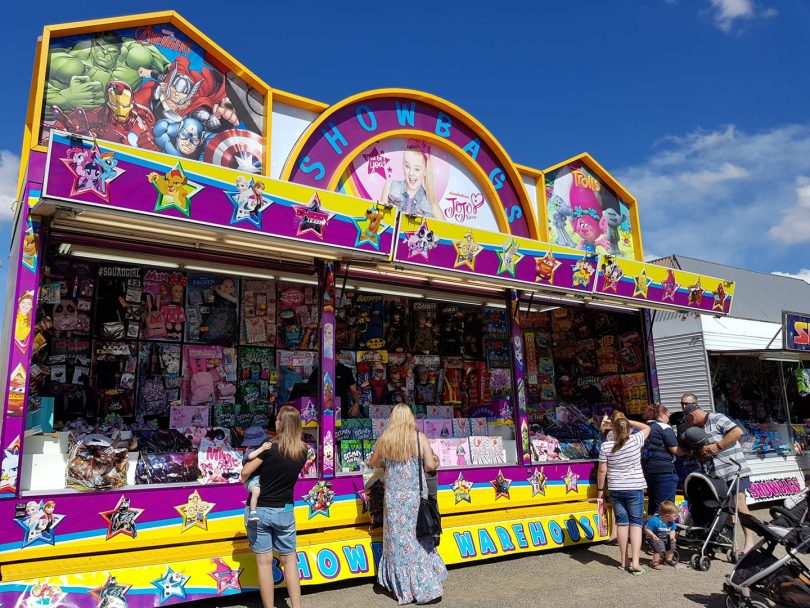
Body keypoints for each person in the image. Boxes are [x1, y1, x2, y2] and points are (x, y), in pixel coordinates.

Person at [369, 404, 446, 604]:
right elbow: (429, 466)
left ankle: (398, 583)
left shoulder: (386, 439)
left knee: (396, 541)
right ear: (411, 418)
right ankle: (425, 582)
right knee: (418, 537)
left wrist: (387, 464)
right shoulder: (420, 439)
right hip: (415, 498)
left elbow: (374, 462)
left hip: (394, 499)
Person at [240, 406, 308, 608]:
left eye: (278, 419)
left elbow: (244, 473)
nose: (275, 422)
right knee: (290, 561)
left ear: (283, 423)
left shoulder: (270, 446)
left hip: (259, 510)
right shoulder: (302, 450)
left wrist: (251, 484)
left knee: (264, 563)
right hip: (285, 510)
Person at [680, 394, 756, 553]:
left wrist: (718, 446)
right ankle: (730, 542)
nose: (687, 423)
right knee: (726, 510)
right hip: (716, 475)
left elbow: (737, 432)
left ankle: (750, 542)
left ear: (693, 415)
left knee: (740, 506)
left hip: (734, 469)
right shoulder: (699, 428)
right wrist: (701, 453)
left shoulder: (716, 417)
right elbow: (706, 453)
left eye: (688, 419)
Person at [597, 412, 651, 575]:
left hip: (615, 488)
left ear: (613, 428)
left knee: (622, 523)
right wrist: (626, 421)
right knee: (635, 523)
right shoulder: (635, 441)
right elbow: (646, 427)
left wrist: (600, 490)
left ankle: (623, 560)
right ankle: (635, 561)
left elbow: (602, 470)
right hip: (634, 487)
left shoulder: (605, 446)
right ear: (627, 428)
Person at [380, 139, 442, 219]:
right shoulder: (390, 186)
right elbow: (380, 220)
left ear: (425, 171)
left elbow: (448, 229)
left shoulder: (429, 201)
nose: (411, 173)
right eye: (407, 166)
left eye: (417, 169)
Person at [641, 403, 682, 514]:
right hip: (665, 470)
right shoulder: (664, 427)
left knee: (653, 503)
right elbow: (675, 450)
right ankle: (662, 530)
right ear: (661, 414)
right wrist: (691, 451)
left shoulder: (644, 427)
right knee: (665, 506)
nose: (669, 419)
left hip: (648, 470)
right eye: (668, 415)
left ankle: (649, 529)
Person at [644, 500, 679, 569]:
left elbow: (672, 530)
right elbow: (646, 528)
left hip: (665, 536)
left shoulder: (671, 522)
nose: (676, 517)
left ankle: (668, 559)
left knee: (671, 544)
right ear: (667, 515)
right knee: (658, 546)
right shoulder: (654, 521)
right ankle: (655, 562)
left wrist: (672, 537)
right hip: (654, 537)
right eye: (675, 516)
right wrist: (653, 535)